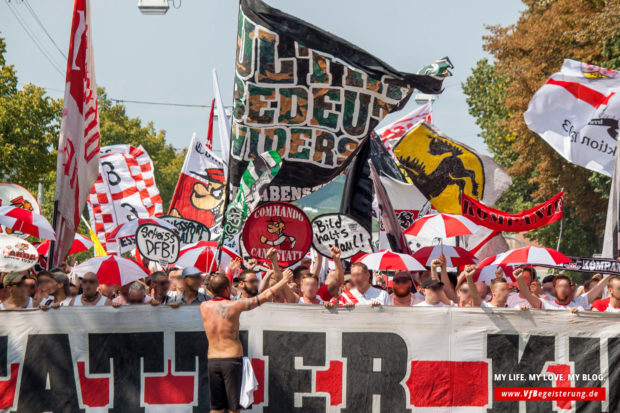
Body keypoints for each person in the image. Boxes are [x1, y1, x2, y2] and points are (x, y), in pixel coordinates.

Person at [200, 248, 293, 413]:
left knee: (216, 408)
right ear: (229, 288)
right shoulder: (235, 305)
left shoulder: (204, 306)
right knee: (235, 408)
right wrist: (284, 279)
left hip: (213, 360)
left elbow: (217, 290)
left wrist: (227, 274)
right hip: (231, 361)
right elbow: (263, 297)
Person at [515, 269, 612, 311]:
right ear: (555, 289)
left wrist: (612, 273)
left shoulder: (579, 303)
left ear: (570, 289)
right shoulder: (545, 304)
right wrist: (519, 280)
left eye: (566, 286)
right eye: (560, 286)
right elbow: (527, 294)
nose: (563, 289)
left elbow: (598, 288)